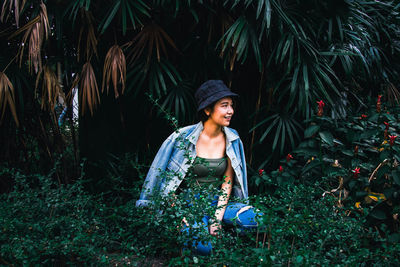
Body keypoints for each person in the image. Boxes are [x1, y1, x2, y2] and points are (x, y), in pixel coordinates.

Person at [136, 80, 261, 255]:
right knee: (203, 248)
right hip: (189, 205)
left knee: (255, 219)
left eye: (231, 106)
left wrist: (217, 218)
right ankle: (189, 236)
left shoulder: (232, 139)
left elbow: (227, 181)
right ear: (207, 110)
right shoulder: (182, 138)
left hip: (218, 203)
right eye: (224, 106)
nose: (230, 111)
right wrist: (179, 213)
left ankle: (222, 234)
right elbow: (168, 183)